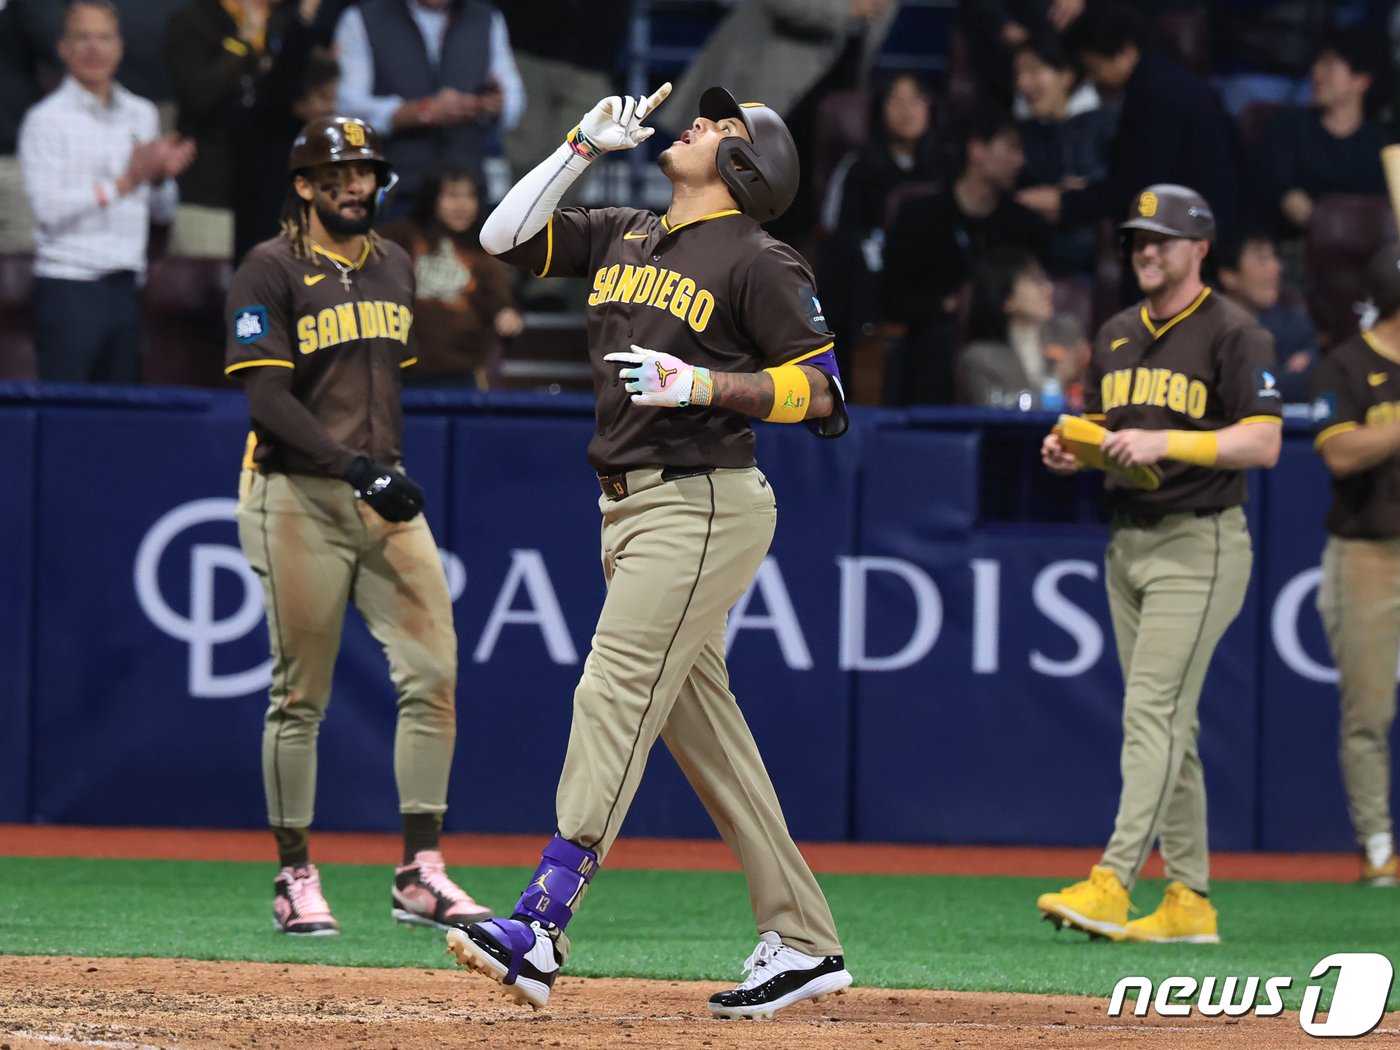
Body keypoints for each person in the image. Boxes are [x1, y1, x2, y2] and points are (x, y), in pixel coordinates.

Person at [445, 82, 852, 1019]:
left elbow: (821, 392)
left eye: (721, 126)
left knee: (614, 685)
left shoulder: (758, 255)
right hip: (629, 508)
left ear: (748, 166)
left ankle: (542, 923)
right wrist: (578, 147)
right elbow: (502, 239)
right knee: (702, 730)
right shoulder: (629, 228)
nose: (699, 124)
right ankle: (804, 938)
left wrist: (703, 383)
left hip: (702, 500)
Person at [224, 115, 490, 936]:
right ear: (303, 186)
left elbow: (382, 383)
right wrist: (357, 468)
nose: (353, 185)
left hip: (381, 494)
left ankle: (420, 870)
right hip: (295, 494)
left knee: (433, 673)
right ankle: (294, 872)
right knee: (300, 695)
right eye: (336, 174)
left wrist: (376, 472)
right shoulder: (267, 269)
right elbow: (268, 400)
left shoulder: (398, 264)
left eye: (365, 172)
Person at [1037, 184, 1282, 943]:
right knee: (1172, 723)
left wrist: (1166, 443)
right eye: (1140, 238)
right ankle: (1190, 902)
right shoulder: (1115, 331)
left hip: (1199, 540)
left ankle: (1113, 880)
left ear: (1200, 248)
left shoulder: (1237, 332)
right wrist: (1071, 446)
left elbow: (1264, 441)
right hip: (1129, 540)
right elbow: (1112, 425)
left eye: (1163, 239)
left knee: (1151, 711)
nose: (1147, 249)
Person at [18, 0, 194, 383]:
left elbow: (162, 213)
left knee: (120, 418)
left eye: (104, 37)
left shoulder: (141, 113)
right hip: (68, 285)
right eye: (82, 37)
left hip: (126, 283)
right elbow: (48, 210)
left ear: (120, 47)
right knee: (67, 415)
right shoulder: (45, 121)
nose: (94, 48)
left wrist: (161, 177)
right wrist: (126, 182)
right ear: (62, 48)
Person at [1310, 242, 1400, 889]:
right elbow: (1340, 453)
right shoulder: (1345, 364)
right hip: (1369, 552)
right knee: (1368, 710)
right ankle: (1377, 848)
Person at [1017, 3, 1245, 252]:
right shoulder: (1175, 80)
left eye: (1094, 68)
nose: (1092, 80)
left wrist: (1068, 203)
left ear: (1126, 53)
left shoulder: (1151, 93)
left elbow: (1140, 183)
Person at [883, 101, 1051, 405]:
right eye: (1011, 148)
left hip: (1007, 338)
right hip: (937, 338)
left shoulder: (1024, 225)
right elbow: (891, 297)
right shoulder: (920, 216)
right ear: (977, 150)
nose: (1020, 161)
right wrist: (945, 305)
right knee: (938, 341)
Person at [333, 0, 524, 209]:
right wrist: (420, 111)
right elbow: (347, 106)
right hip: (397, 188)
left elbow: (514, 101)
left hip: (467, 190)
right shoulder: (363, 17)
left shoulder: (485, 17)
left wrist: (494, 105)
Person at [818, 71, 943, 378]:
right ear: (879, 110)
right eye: (895, 100)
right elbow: (836, 230)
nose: (906, 109)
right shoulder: (858, 166)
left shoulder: (947, 165)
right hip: (873, 277)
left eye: (916, 99)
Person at [379, 164, 523, 387]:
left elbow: (502, 304)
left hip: (463, 373)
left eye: (470, 196)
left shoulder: (485, 250)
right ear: (432, 198)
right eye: (452, 195)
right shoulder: (402, 237)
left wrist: (508, 316)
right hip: (402, 370)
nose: (462, 205)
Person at [1258, 28, 1392, 238]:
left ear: (1361, 80)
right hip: (1297, 250)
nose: (1316, 73)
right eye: (1317, 64)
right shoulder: (1288, 127)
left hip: (1367, 254)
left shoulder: (1381, 148)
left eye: (1329, 65)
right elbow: (1289, 198)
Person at [1012, 33, 1116, 276]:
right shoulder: (1024, 134)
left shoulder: (1104, 124)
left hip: (1091, 256)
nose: (1022, 84)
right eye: (1018, 74)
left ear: (1067, 76)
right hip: (1038, 256)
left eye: (1034, 71)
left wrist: (1071, 196)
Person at [1216, 230, 1318, 403]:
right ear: (1228, 276)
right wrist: (1281, 374)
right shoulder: (1206, 328)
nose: (1276, 267)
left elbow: (1313, 382)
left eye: (1274, 257)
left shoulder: (1293, 325)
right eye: (1262, 259)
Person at [956, 246, 1059, 408]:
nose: (1048, 288)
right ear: (1007, 300)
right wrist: (1057, 382)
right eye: (1035, 281)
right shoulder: (981, 358)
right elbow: (998, 411)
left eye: (1044, 279)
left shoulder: (1067, 333)